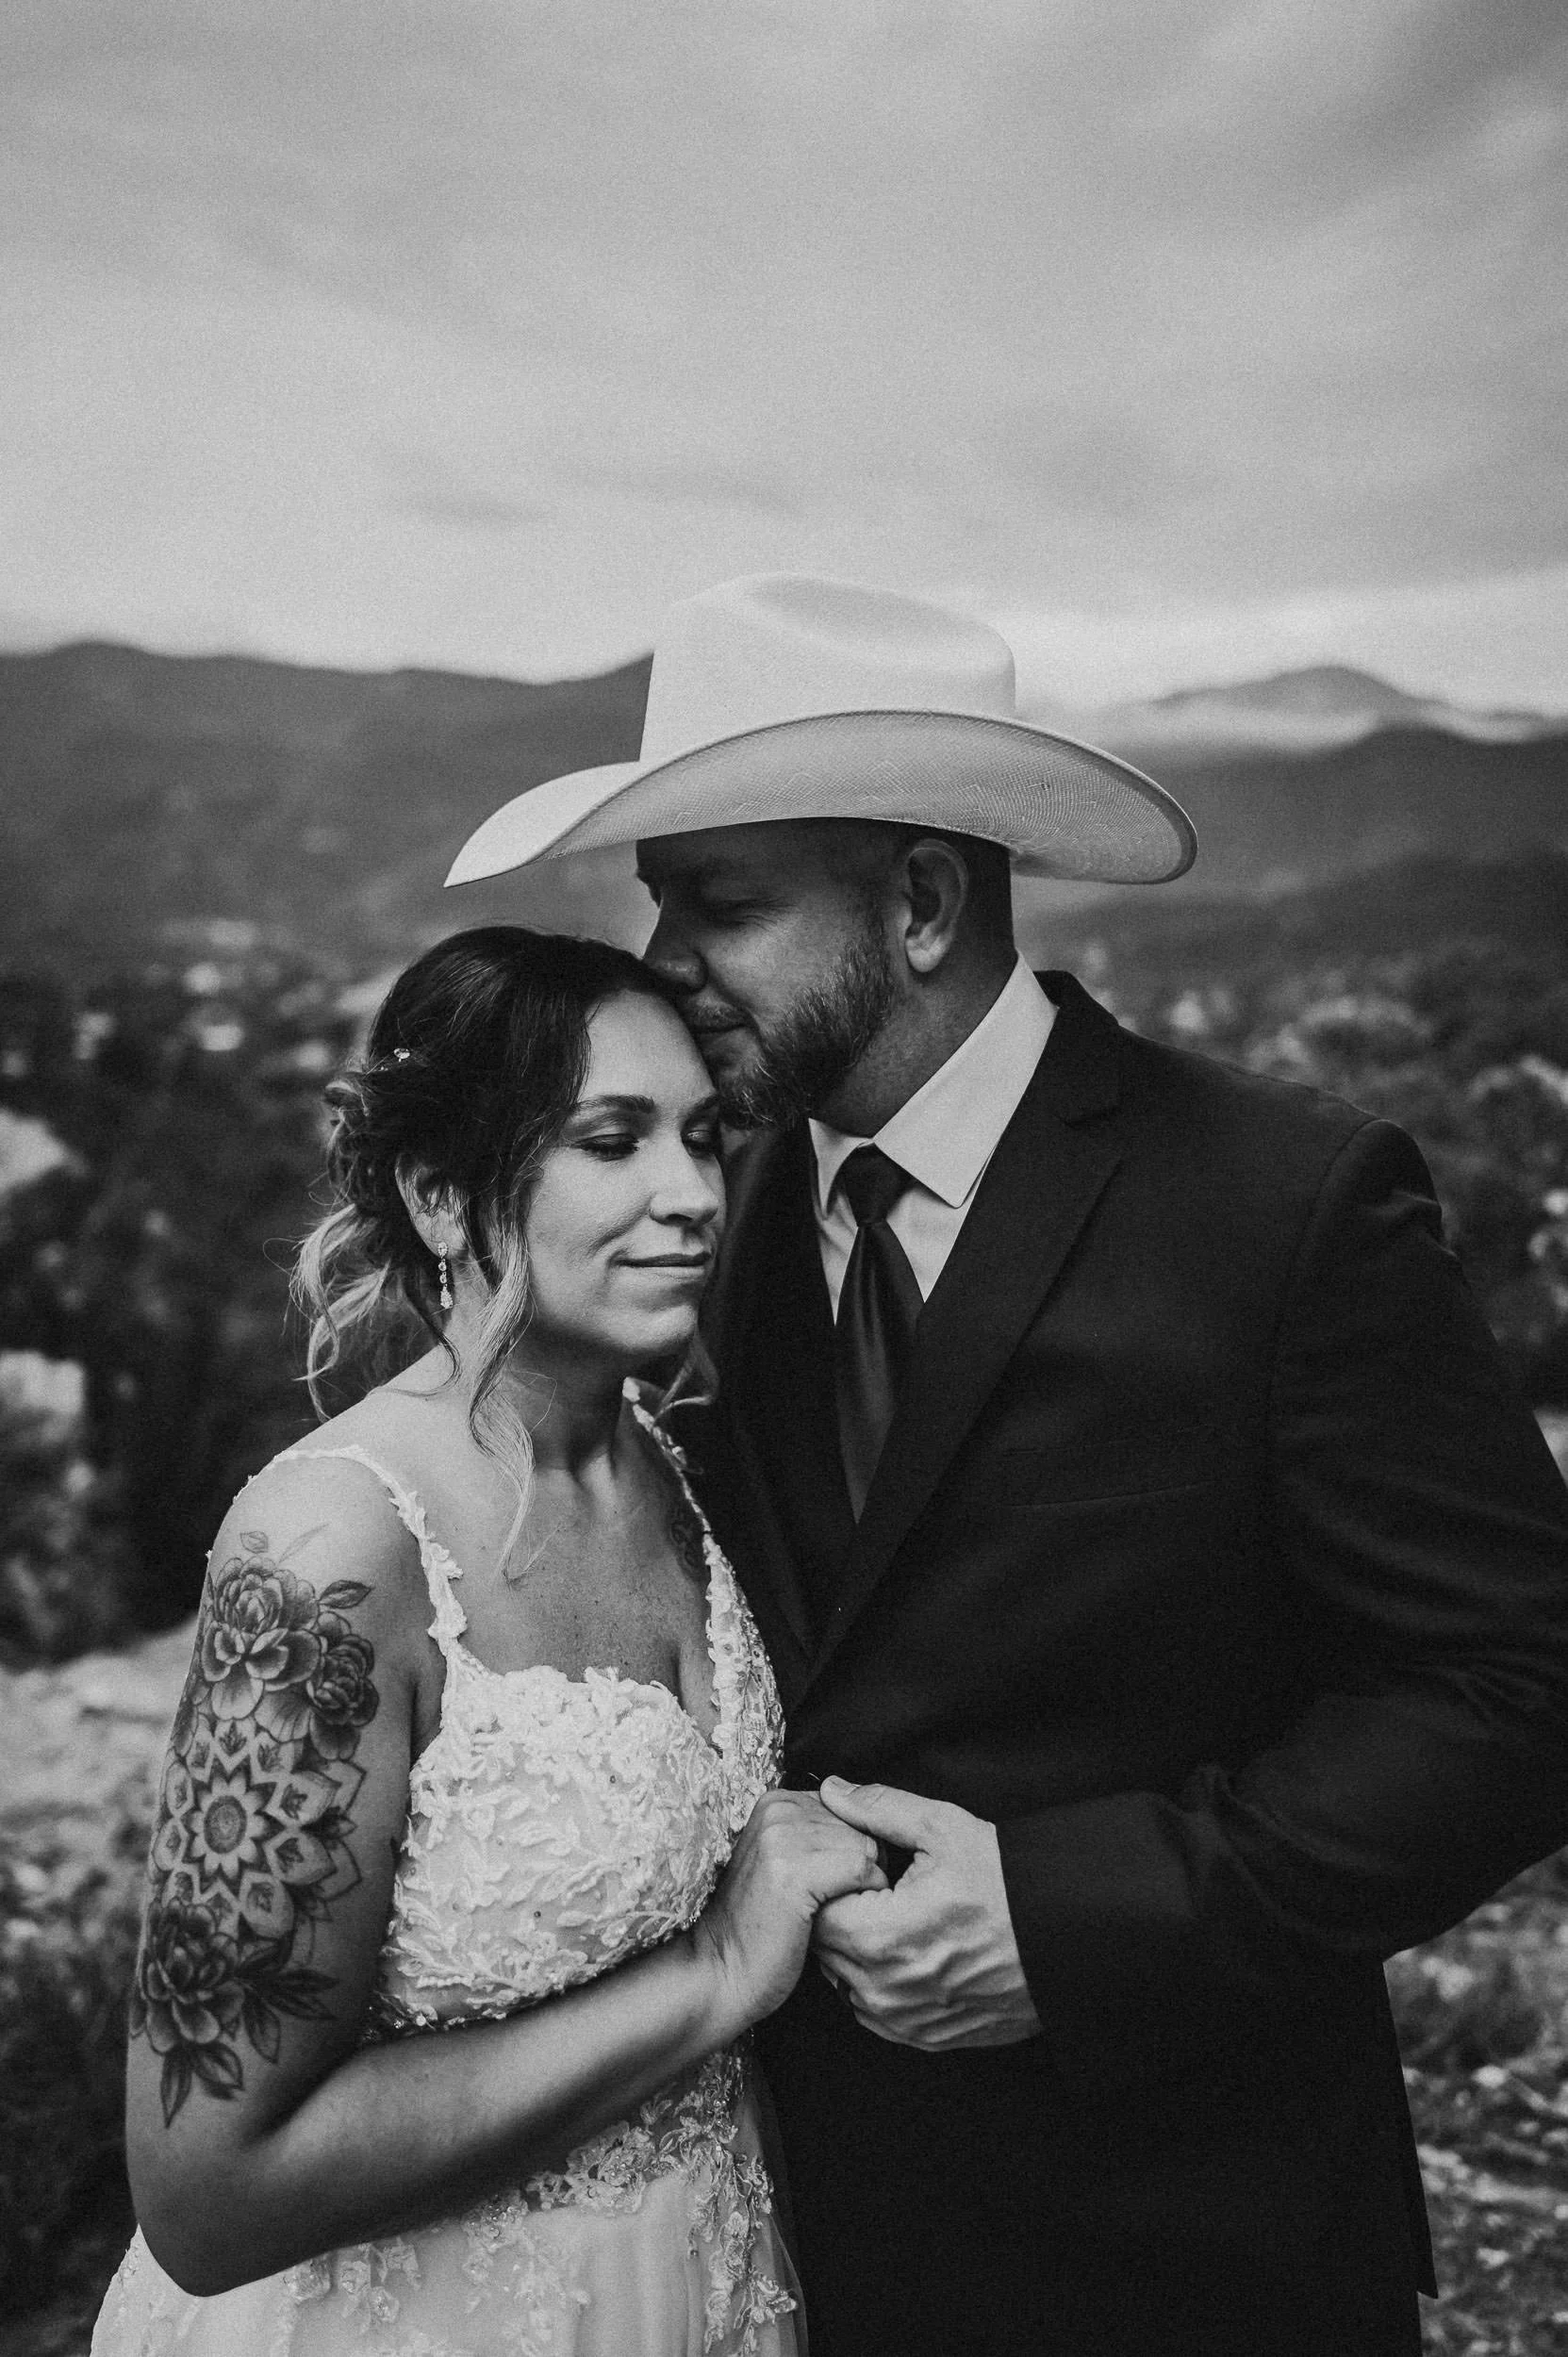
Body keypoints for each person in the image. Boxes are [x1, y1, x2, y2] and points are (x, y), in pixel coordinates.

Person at [448, 574, 1568, 2357]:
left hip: (1196, 2252)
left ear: (918, 902)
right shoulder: (700, 1224)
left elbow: (1518, 1685)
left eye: (722, 907)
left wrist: (1074, 1920)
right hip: (799, 2241)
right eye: (658, 907)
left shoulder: (1284, 1207)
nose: (663, 966)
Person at [92, 924, 886, 2357]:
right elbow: (207, 2191)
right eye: (611, 1139)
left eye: (704, 1138)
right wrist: (712, 1972)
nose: (692, 1194)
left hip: (697, 2285)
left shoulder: (679, 1471)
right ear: (443, 1194)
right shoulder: (335, 1546)